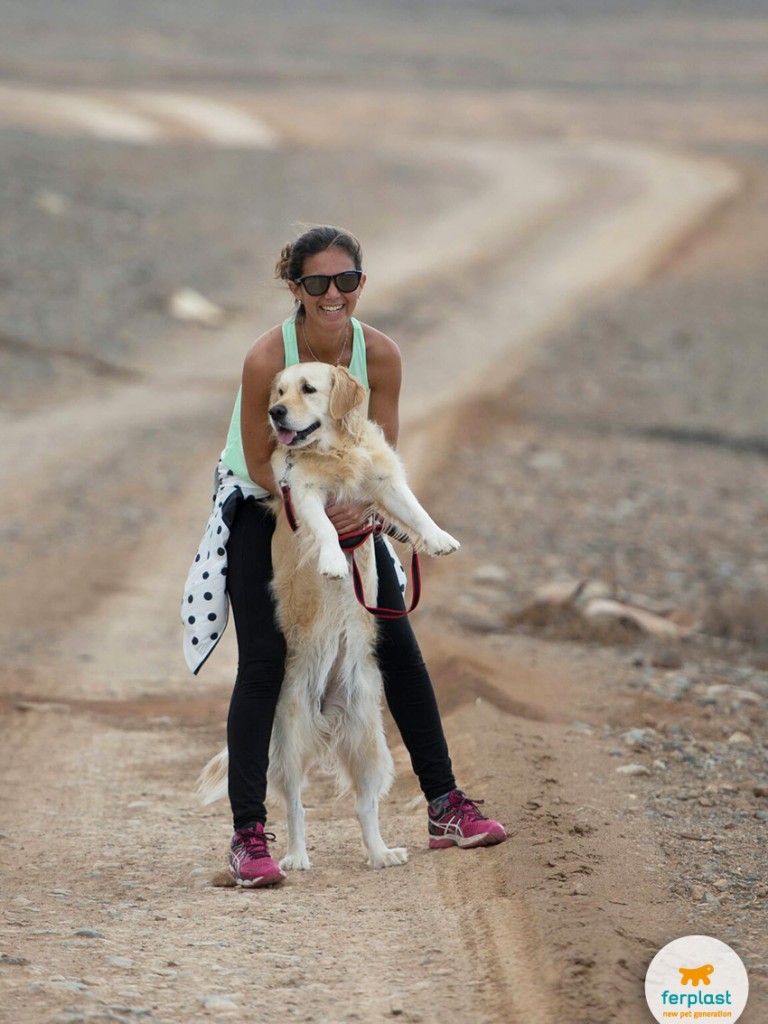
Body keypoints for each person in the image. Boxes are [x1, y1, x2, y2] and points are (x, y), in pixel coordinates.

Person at [182, 225, 507, 887]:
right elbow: (254, 455)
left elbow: (377, 453)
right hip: (265, 498)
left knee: (394, 641)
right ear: (295, 288)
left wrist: (364, 509)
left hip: (345, 500)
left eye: (347, 281)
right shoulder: (265, 357)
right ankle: (249, 837)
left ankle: (445, 806)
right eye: (318, 282)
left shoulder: (379, 356)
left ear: (361, 283)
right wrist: (316, 511)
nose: (334, 294)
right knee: (267, 659)